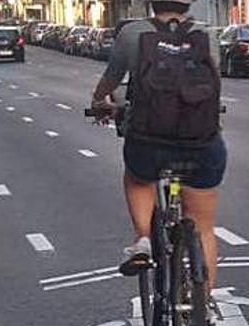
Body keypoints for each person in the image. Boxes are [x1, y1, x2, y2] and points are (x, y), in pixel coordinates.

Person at [90, 0, 227, 294]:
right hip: (201, 142)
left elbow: (111, 79)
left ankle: (142, 239)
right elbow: (214, 86)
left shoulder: (131, 34)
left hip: (149, 142)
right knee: (203, 226)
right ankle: (203, 308)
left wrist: (99, 101)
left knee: (137, 177)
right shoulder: (207, 35)